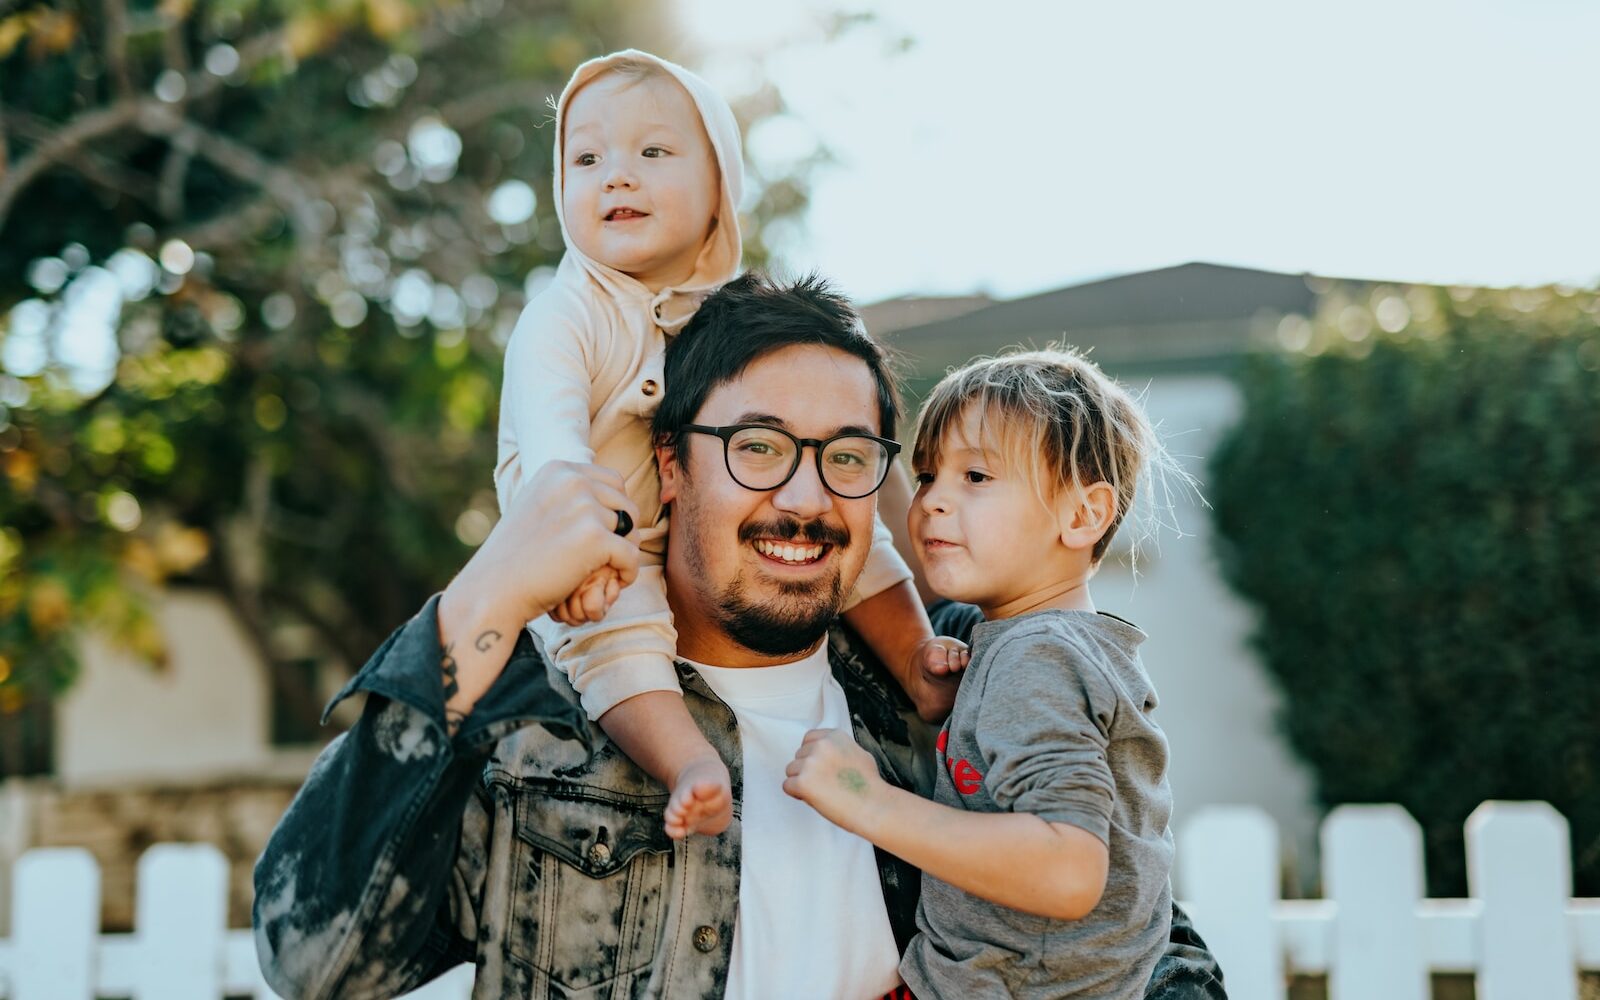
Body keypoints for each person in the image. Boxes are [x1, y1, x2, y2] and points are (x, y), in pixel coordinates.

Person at [253, 274, 1226, 999]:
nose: (804, 497)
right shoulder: (532, 713)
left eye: (846, 457)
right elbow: (314, 961)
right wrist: (481, 598)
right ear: (670, 465)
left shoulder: (953, 672)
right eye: (758, 447)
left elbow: (1135, 922)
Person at [494, 49, 958, 841]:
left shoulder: (730, 322)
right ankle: (688, 762)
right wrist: (578, 554)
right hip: (595, 550)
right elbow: (553, 453)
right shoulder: (565, 315)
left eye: (652, 152)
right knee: (619, 643)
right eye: (587, 157)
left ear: (720, 192)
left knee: (856, 531)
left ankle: (917, 660)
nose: (617, 176)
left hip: (677, 534)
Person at [786, 348, 1188, 998]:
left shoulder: (1037, 659)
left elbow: (1067, 870)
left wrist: (868, 802)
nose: (933, 502)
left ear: (1083, 515)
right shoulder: (1049, 647)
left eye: (975, 477)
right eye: (925, 476)